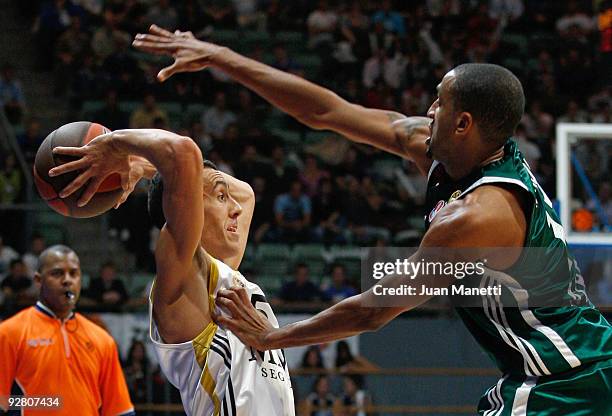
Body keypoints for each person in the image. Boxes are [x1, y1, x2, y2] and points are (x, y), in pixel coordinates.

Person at [132, 26, 612, 414]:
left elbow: (377, 307)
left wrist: (274, 335)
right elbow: (327, 111)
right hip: (555, 371)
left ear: (464, 124)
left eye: (440, 102)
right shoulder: (450, 152)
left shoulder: (477, 218)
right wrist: (221, 57)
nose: (428, 110)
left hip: (566, 380)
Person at [48, 126, 294, 415]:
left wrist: (149, 168)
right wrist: (117, 145)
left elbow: (247, 193)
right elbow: (182, 153)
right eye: (220, 197)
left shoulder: (223, 273)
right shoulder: (183, 272)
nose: (237, 208)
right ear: (187, 206)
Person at [0, 245, 134, 415]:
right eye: (57, 273)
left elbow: (120, 410)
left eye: (74, 273)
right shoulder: (9, 333)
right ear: (38, 280)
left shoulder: (102, 339)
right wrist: (47, 402)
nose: (67, 280)